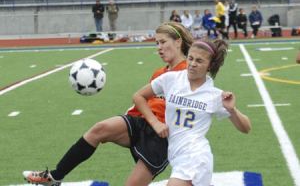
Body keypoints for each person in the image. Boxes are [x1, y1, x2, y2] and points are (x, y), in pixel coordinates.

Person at [23, 22, 194, 186]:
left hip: (162, 138)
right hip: (143, 123)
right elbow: (142, 99)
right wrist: (138, 117)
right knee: (99, 129)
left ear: (178, 42)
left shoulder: (189, 73)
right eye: (157, 43)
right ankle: (55, 177)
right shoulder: (160, 73)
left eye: (163, 42)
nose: (159, 47)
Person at [133, 39, 251, 186]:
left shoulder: (214, 95)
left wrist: (232, 110)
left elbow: (246, 128)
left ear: (210, 66)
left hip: (196, 157)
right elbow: (139, 96)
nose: (193, 63)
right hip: (176, 156)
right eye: (190, 58)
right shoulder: (171, 79)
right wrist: (155, 122)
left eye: (199, 61)